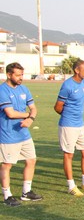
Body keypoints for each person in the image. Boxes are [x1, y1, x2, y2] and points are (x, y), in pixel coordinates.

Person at [54, 59, 84, 196]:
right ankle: (71, 185)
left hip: (80, 125)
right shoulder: (67, 85)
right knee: (69, 155)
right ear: (77, 70)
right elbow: (57, 107)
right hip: (68, 125)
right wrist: (68, 116)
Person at [0, 63, 42, 206]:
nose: (21, 78)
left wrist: (30, 118)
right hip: (8, 135)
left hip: (24, 134)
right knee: (7, 165)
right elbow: (10, 113)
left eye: (22, 75)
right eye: (18, 75)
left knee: (31, 160)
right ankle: (7, 195)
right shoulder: (2, 90)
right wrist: (28, 115)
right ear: (9, 75)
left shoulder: (24, 89)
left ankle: (26, 192)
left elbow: (33, 108)